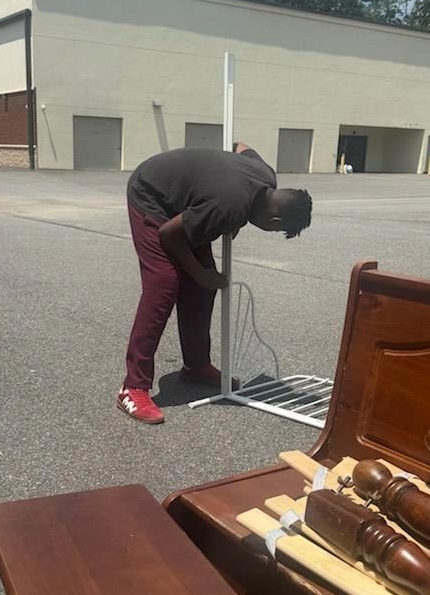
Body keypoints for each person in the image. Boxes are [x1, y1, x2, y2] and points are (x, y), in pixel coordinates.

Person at [118, 143, 312, 424]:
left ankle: (196, 366)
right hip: (152, 193)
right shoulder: (228, 206)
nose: (273, 231)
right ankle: (133, 387)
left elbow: (241, 146)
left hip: (191, 201)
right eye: (277, 229)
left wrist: (229, 211)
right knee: (164, 283)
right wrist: (198, 272)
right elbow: (169, 235)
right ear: (274, 219)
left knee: (203, 287)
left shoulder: (265, 175)